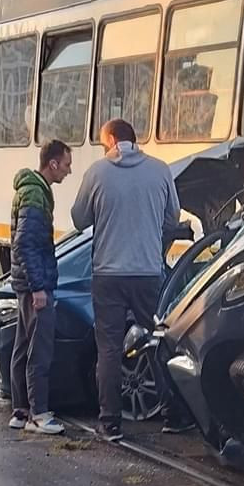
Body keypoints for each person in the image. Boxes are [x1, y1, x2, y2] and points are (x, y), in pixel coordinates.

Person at [70, 119, 181, 443]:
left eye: (104, 144)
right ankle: (173, 414)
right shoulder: (160, 171)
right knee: (155, 342)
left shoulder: (97, 172)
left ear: (112, 140)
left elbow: (79, 220)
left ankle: (111, 423)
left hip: (108, 274)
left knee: (109, 348)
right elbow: (172, 218)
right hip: (148, 272)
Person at [8, 138, 72, 434]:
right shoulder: (35, 193)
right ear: (53, 163)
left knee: (22, 345)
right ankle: (39, 414)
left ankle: (20, 410)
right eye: (67, 165)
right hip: (35, 282)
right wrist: (38, 288)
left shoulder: (31, 189)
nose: (69, 172)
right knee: (40, 349)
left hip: (25, 280)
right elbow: (25, 242)